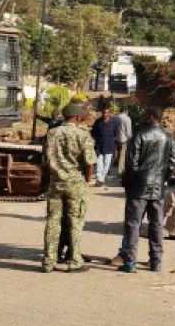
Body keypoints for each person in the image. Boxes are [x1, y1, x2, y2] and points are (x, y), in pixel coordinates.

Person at [115, 106, 175, 273]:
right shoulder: (169, 137)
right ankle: (156, 262)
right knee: (156, 225)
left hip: (139, 187)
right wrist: (162, 178)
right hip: (158, 188)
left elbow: (132, 164)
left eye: (145, 115)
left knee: (133, 224)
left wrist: (129, 183)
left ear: (150, 117)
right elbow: (172, 164)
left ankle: (130, 261)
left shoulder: (139, 135)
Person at [41, 102, 96, 273]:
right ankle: (74, 261)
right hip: (75, 183)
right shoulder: (83, 135)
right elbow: (89, 162)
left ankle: (49, 261)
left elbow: (45, 159)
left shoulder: (52, 133)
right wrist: (87, 181)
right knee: (75, 221)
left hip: (56, 182)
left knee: (52, 221)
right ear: (78, 117)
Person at [89, 105, 120, 186]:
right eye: (103, 113)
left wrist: (115, 141)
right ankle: (99, 179)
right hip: (99, 146)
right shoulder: (98, 122)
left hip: (110, 146)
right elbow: (93, 132)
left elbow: (116, 133)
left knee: (107, 163)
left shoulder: (114, 122)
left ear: (109, 114)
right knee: (99, 163)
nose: (104, 114)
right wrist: (95, 140)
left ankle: (102, 178)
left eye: (106, 113)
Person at [113, 103, 132, 177]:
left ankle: (115, 165)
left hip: (116, 138)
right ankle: (120, 172)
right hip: (123, 139)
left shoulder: (115, 117)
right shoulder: (127, 118)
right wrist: (130, 139)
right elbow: (128, 131)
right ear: (126, 111)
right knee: (122, 155)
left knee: (117, 153)